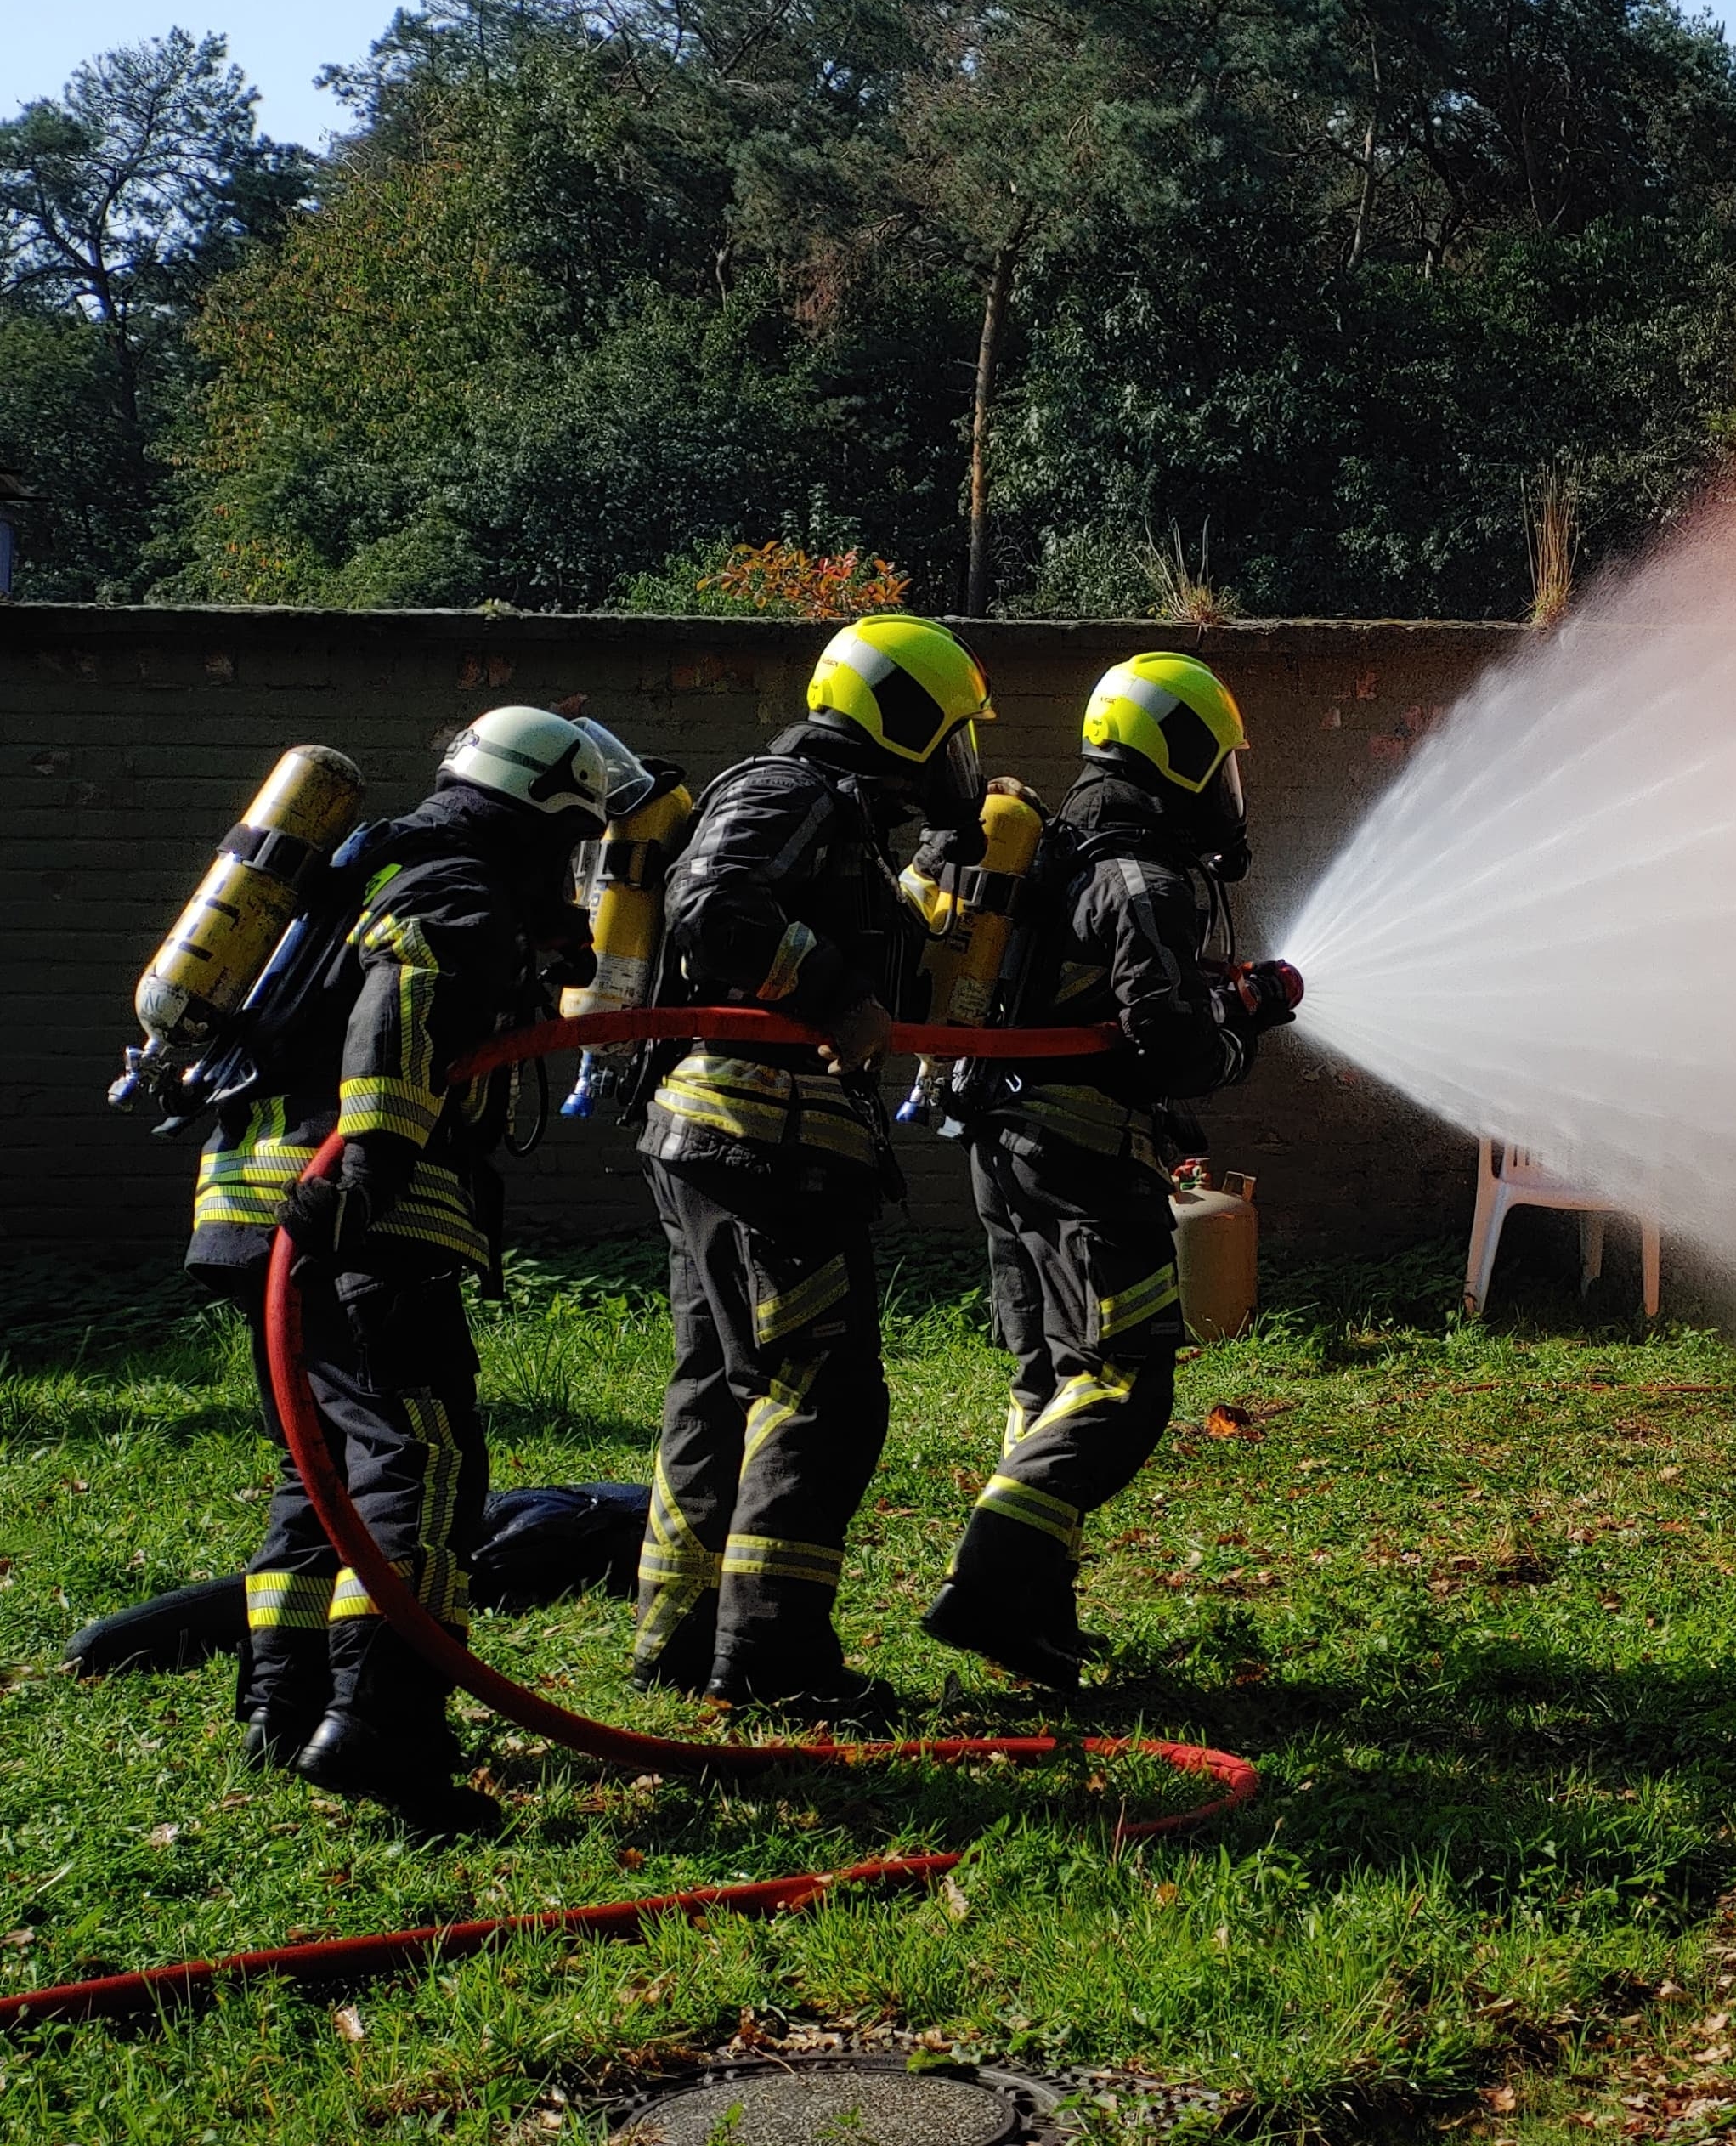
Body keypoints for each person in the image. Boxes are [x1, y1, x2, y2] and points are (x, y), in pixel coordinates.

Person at [218, 707, 613, 1833]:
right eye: (569, 836)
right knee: (421, 1464)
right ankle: (385, 1727)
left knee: (322, 1471)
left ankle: (283, 1711)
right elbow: (405, 992)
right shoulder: (452, 888)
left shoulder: (381, 863)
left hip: (260, 1209)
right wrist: (378, 1166)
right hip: (356, 1220)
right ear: (536, 814)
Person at [630, 613, 992, 1718]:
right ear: (909, 721)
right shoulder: (790, 792)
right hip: (762, 1140)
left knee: (720, 1385)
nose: (960, 759)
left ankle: (683, 1641)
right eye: (954, 733)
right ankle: (774, 1660)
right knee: (822, 1395)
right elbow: (712, 907)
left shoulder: (837, 814)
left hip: (736, 1135)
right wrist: (834, 991)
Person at [922, 652, 1299, 1692]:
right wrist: (1245, 1017)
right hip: (1084, 1161)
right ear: (1178, 757)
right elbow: (1167, 1046)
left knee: (1052, 1376)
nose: (1227, 791)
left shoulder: (1063, 853)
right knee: (1124, 1380)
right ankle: (991, 1585)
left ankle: (1033, 1615)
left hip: (1013, 1151)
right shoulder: (1141, 877)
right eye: (1217, 764)